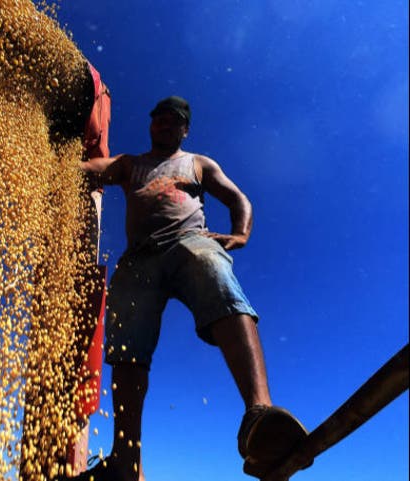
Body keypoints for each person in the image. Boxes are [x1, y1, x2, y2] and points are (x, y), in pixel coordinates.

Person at [67, 96, 310, 481]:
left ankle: (259, 414)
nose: (163, 125)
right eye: (158, 120)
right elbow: (92, 168)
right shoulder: (131, 164)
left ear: (184, 129)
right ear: (151, 126)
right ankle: (126, 460)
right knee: (127, 340)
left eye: (172, 121)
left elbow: (237, 198)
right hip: (139, 258)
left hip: (188, 240)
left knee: (212, 269)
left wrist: (241, 234)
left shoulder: (198, 163)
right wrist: (56, 163)